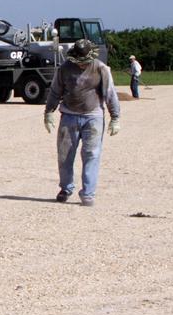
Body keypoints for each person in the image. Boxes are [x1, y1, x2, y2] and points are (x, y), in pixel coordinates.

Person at [43, 39, 121, 207]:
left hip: (93, 117)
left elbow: (110, 93)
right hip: (69, 116)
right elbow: (55, 91)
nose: (81, 65)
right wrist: (49, 112)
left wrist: (115, 117)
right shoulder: (64, 69)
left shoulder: (101, 68)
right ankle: (66, 188)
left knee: (91, 154)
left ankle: (88, 193)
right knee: (64, 156)